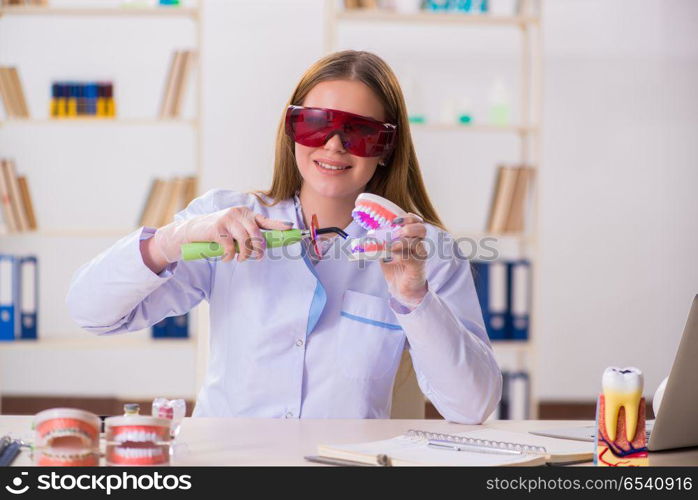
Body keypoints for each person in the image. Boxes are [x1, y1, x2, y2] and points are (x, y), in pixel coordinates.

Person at [66, 50, 501, 423]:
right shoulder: (225, 221)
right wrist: (174, 238)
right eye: (316, 124)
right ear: (291, 129)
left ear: (386, 148)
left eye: (360, 133)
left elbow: (472, 407)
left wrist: (414, 298)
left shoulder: (425, 252)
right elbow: (92, 313)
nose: (333, 146)